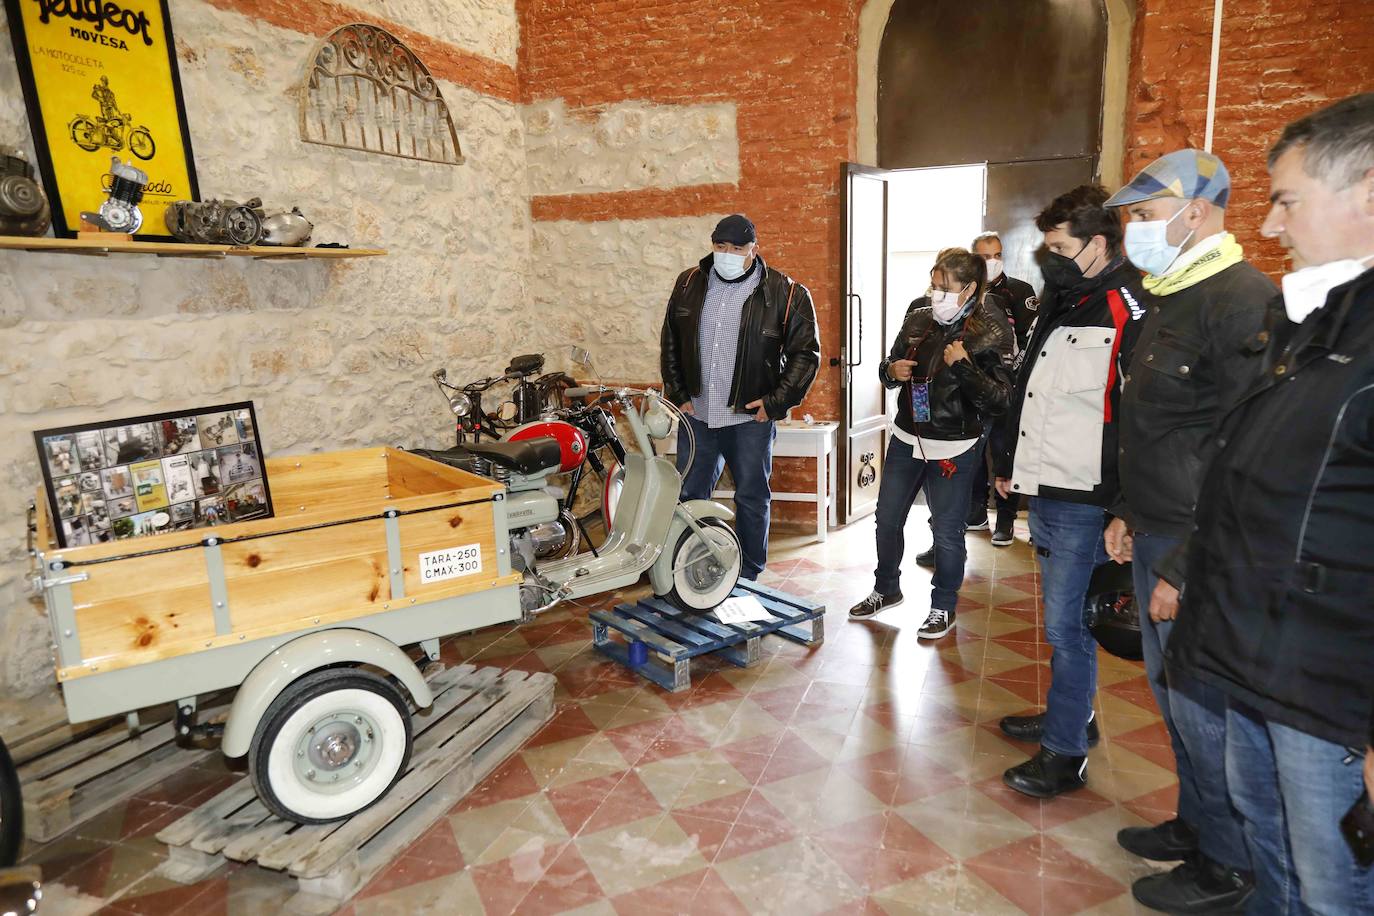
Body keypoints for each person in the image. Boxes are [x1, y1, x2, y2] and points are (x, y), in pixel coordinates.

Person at [1161, 92, 1374, 915]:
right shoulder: (1311, 321)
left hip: (1328, 687)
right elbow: (1240, 478)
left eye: (1287, 201)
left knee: (1333, 887)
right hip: (1255, 654)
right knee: (1270, 844)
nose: (1274, 226)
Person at [1102, 149, 1274, 914]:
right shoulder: (1172, 295)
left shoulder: (1242, 302)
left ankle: (1228, 864)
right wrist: (1128, 512)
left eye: (1143, 215)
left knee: (1205, 711)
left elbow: (1244, 453)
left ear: (1194, 213)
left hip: (1197, 547)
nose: (1134, 229)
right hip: (1157, 528)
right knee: (1173, 700)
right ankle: (1197, 823)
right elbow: (1157, 428)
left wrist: (1183, 563)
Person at [992, 185, 1148, 798]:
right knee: (1060, 622)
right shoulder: (1065, 299)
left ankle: (1064, 752)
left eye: (1059, 247)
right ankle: (1070, 716)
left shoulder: (1127, 306)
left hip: (1088, 495)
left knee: (1068, 626)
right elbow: (1034, 392)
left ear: (1097, 243)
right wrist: (1010, 464)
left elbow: (1139, 418)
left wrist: (1125, 507)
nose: (1049, 257)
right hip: (1049, 483)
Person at [848, 248, 1014, 637]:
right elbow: (886, 368)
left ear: (970, 289)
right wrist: (891, 371)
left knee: (946, 532)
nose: (935, 294)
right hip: (907, 437)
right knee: (887, 519)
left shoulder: (989, 331)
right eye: (934, 285)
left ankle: (943, 606)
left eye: (945, 288)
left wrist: (964, 367)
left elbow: (1001, 399)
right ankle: (885, 588)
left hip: (955, 445)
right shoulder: (917, 320)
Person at [660, 214, 820, 580]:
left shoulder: (786, 292)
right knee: (689, 497)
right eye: (720, 247)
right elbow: (671, 341)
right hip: (697, 414)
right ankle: (688, 570)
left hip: (749, 419)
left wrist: (775, 402)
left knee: (751, 497)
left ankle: (748, 575)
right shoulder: (688, 283)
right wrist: (678, 392)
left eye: (737, 248)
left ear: (754, 250)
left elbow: (805, 354)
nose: (727, 254)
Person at [969, 230, 1039, 545]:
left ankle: (1006, 520)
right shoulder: (966, 292)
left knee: (1004, 453)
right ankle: (976, 511)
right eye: (985, 257)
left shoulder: (1020, 291)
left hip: (1009, 389)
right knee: (972, 454)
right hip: (974, 389)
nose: (992, 262)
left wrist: (1015, 378)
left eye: (997, 255)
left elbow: (1033, 340)